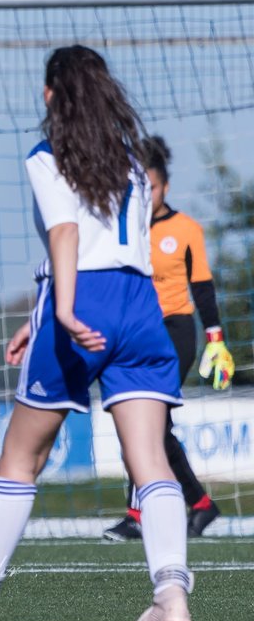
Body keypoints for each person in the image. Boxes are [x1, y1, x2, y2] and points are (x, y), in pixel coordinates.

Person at [0, 45, 194, 621]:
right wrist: (42, 315)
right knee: (151, 462)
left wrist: (58, 310)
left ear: (49, 96)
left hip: (80, 305)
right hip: (142, 309)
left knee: (20, 458)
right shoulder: (136, 167)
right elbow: (114, 248)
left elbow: (66, 234)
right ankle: (170, 594)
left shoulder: (47, 156)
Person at [102, 135, 228, 541]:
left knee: (147, 420)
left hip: (176, 330)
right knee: (153, 425)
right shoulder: (124, 228)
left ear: (165, 187)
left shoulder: (186, 229)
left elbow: (203, 287)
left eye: (152, 187)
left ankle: (138, 516)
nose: (147, 194)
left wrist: (216, 339)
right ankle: (202, 504)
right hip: (136, 331)